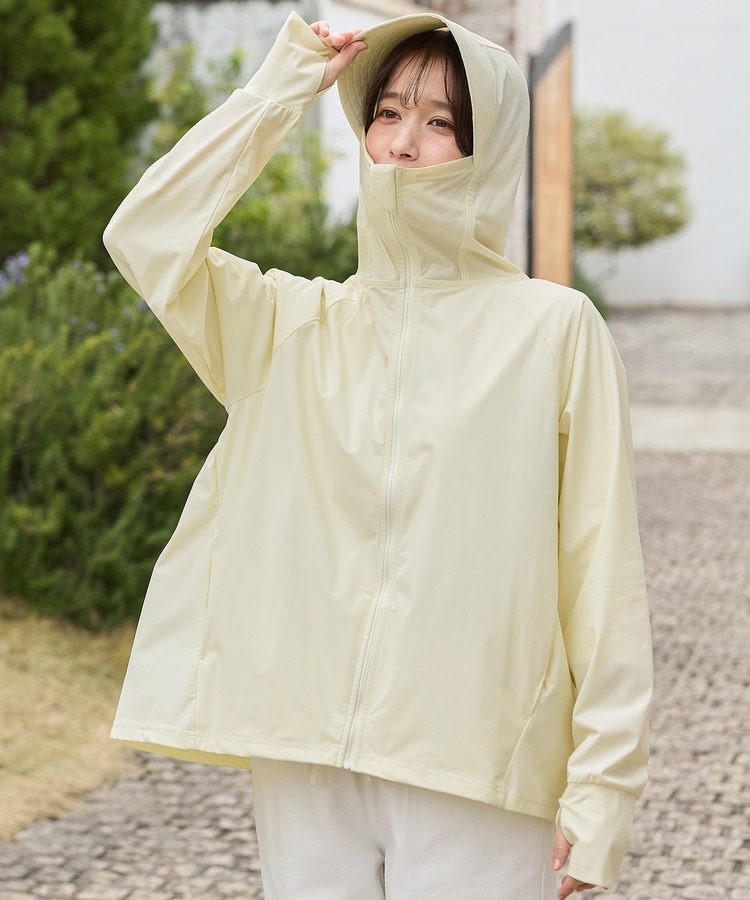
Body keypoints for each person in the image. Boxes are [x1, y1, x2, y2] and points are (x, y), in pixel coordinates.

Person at [103, 11, 653, 900]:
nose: (401, 141)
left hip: (474, 769)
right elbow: (145, 237)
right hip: (307, 758)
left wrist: (603, 791)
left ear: (488, 149)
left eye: (440, 121)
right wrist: (282, 87)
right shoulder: (290, 324)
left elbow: (602, 572)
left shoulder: (554, 331)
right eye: (387, 112)